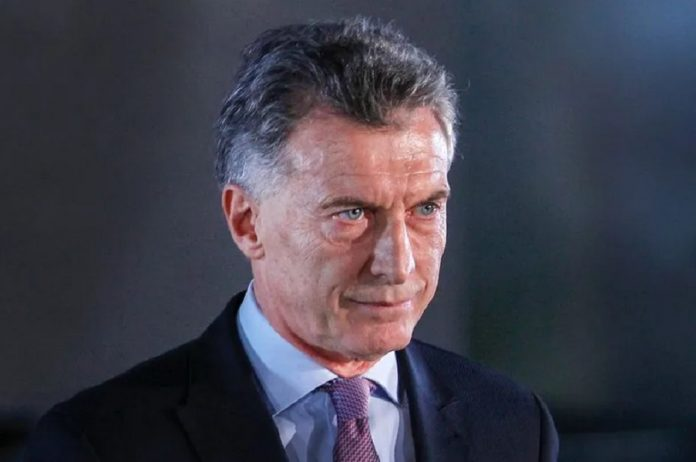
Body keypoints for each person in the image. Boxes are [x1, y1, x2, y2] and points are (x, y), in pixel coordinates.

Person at [25, 17, 558, 462]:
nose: (398, 264)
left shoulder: (513, 427)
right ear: (246, 222)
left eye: (425, 208)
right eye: (352, 213)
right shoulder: (97, 446)